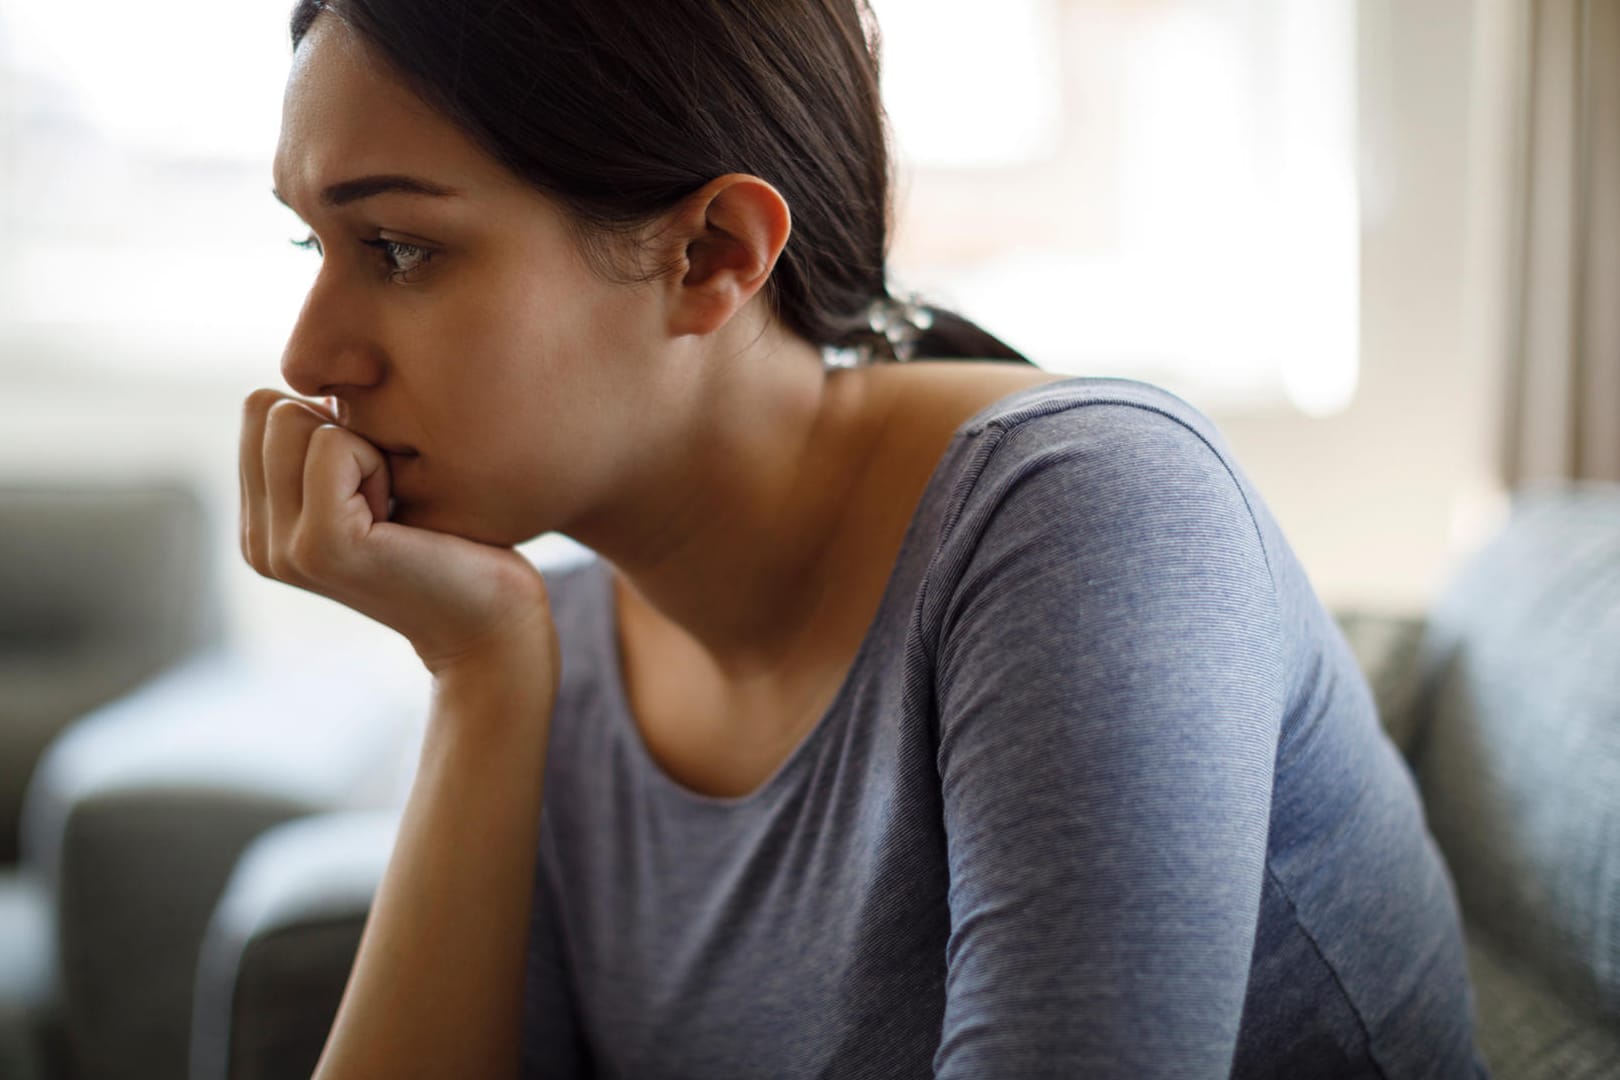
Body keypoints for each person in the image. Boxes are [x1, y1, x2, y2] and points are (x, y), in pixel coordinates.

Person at [238, 1, 1488, 1076]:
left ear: (713, 256)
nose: (306, 355)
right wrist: (483, 685)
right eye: (313, 242)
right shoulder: (554, 643)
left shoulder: (1083, 516)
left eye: (400, 247)